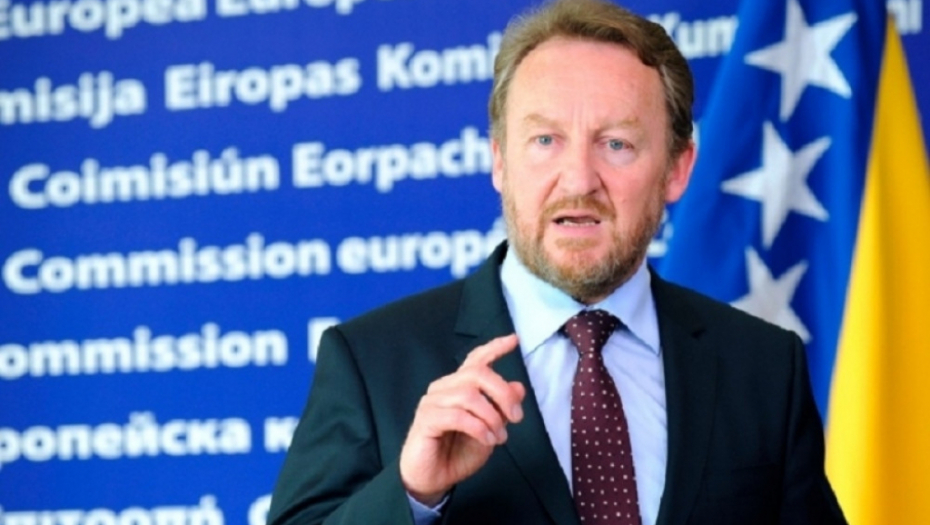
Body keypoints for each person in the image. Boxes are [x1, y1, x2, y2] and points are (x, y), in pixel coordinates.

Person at [267, 0, 848, 523]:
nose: (577, 181)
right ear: (500, 161)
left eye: (616, 144)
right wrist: (413, 494)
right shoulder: (372, 360)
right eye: (545, 141)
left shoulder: (763, 366)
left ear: (677, 169)